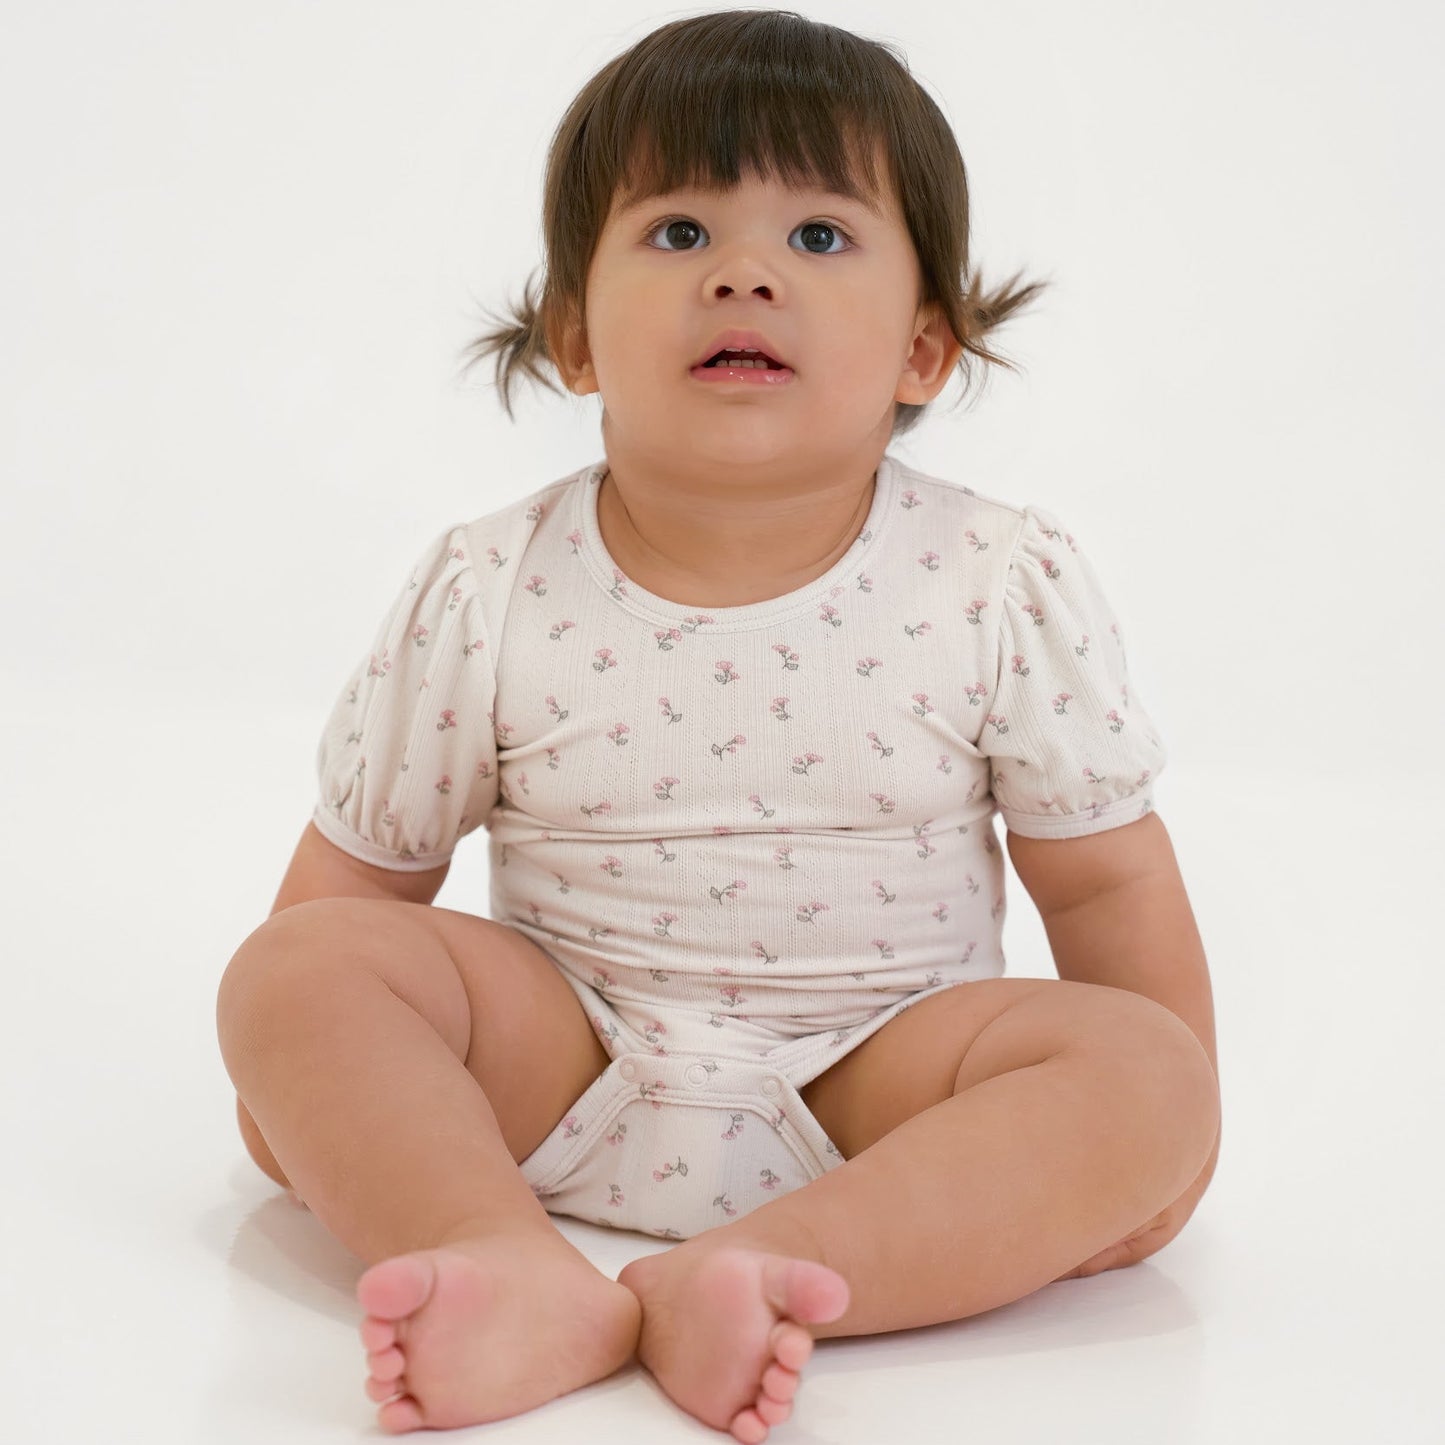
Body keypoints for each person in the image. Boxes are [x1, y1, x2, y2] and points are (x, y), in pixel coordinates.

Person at [216, 10, 1221, 1442]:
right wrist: (309, 1083)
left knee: (1146, 1070)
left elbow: (1106, 880)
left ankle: (771, 1269)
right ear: (575, 335)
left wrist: (1158, 1137)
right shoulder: (489, 581)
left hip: (886, 1090)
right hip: (560, 1067)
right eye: (679, 231)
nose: (744, 272)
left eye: (819, 236)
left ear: (922, 348)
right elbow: (360, 888)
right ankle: (497, 1252)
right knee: (298, 969)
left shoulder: (994, 578)